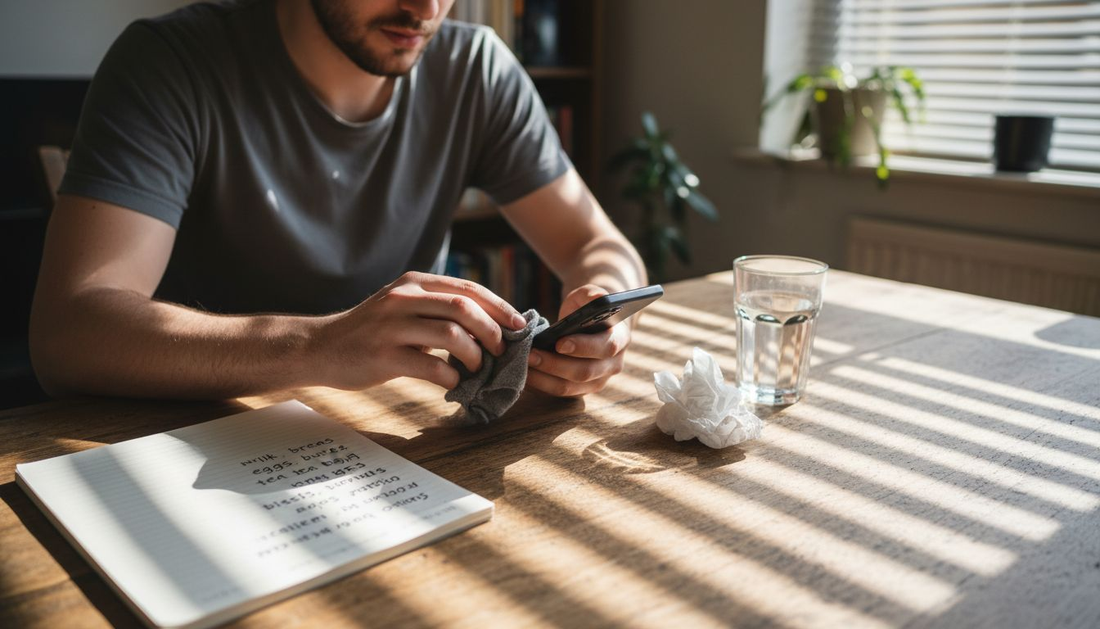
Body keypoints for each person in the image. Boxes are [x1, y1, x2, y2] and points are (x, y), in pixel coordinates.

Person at [29, 0, 646, 401]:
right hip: (199, 436)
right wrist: (317, 346)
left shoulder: (477, 71)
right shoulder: (171, 65)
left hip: (394, 437)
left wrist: (605, 313)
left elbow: (597, 244)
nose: (426, 8)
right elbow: (70, 330)